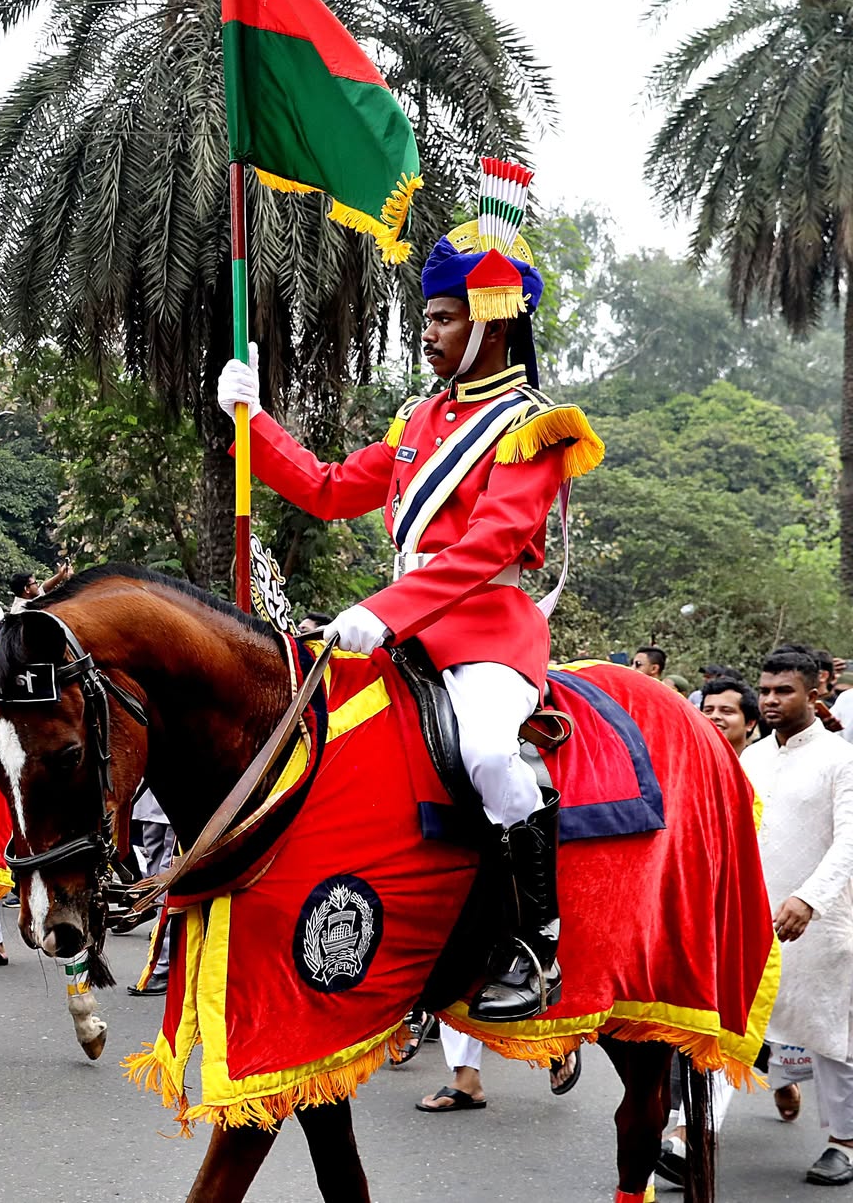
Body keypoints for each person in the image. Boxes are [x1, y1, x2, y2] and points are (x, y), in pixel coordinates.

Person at [216, 160, 604, 1023]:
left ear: (491, 324)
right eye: (426, 317)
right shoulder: (417, 420)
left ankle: (538, 940)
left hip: (487, 632)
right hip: (402, 631)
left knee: (491, 755)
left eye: (442, 317)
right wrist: (253, 419)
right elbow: (326, 489)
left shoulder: (534, 427)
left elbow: (490, 545)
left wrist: (382, 610)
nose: (426, 333)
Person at [741, 647, 853, 1185]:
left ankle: (843, 1143)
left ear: (814, 694)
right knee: (740, 1020)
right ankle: (689, 1134)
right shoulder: (751, 759)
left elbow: (850, 841)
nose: (770, 700)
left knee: (831, 1029)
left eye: (783, 691)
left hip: (823, 919)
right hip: (754, 914)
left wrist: (810, 898)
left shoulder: (840, 759)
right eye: (764, 691)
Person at [700, 676, 760, 757]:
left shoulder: (762, 763)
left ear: (750, 723)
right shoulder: (688, 761)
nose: (714, 716)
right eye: (708, 711)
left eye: (726, 711)